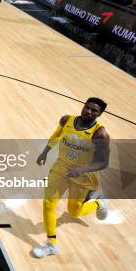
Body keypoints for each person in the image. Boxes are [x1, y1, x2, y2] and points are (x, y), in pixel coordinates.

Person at [32, 98, 110, 258]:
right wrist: (45, 151)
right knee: (48, 203)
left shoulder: (100, 134)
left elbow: (103, 162)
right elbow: (56, 135)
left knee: (74, 211)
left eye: (94, 110)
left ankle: (99, 202)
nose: (89, 111)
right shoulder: (67, 120)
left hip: (84, 176)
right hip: (61, 168)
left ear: (100, 114)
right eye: (87, 107)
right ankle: (51, 244)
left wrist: (82, 170)